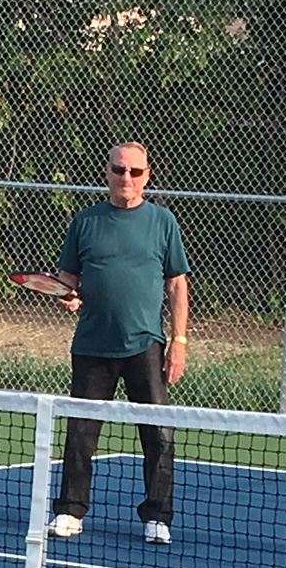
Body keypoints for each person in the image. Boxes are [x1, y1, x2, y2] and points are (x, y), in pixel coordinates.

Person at [46, 141, 191, 545]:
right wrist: (68, 296)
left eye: (135, 172)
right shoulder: (86, 221)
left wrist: (178, 341)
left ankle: (158, 516)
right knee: (81, 433)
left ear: (147, 176)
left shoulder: (163, 222)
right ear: (108, 172)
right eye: (119, 170)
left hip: (146, 344)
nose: (126, 178)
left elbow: (177, 284)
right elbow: (68, 280)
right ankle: (71, 511)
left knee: (158, 433)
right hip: (93, 345)